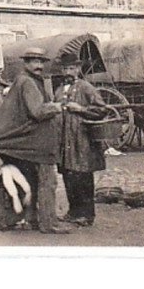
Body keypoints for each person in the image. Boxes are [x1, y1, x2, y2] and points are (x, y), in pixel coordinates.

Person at [0, 46, 69, 234]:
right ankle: (48, 224)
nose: (39, 65)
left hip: (26, 143)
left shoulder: (25, 80)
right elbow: (37, 111)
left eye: (41, 62)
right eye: (34, 61)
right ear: (26, 63)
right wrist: (58, 106)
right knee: (48, 182)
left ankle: (31, 218)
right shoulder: (28, 83)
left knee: (30, 180)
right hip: (35, 144)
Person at [54, 52, 108, 226]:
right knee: (69, 176)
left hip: (82, 141)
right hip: (64, 141)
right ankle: (73, 211)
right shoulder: (59, 90)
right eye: (65, 68)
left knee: (83, 177)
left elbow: (102, 110)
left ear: (78, 69)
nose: (68, 71)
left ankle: (87, 215)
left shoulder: (86, 88)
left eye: (71, 68)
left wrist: (80, 109)